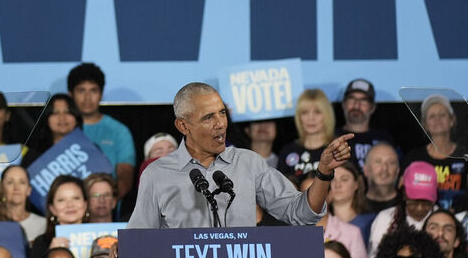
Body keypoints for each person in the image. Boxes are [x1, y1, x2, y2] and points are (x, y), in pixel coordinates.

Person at [129, 82, 354, 230]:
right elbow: (139, 240)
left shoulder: (249, 163)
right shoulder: (157, 175)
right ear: (183, 126)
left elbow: (301, 214)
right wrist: (123, 248)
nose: (220, 124)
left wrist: (324, 172)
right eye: (208, 117)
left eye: (223, 113)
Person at [68, 63, 136, 203]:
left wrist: (103, 201)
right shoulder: (62, 128)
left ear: (101, 94)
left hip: (106, 216)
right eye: (81, 90)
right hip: (69, 212)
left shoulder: (119, 131)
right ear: (71, 94)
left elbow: (125, 178)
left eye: (93, 90)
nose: (87, 97)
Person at [400, 94, 468, 206]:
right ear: (425, 124)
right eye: (432, 116)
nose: (437, 119)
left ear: (452, 120)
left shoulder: (467, 156)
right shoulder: (413, 158)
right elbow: (403, 194)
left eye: (442, 115)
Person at [28, 175, 88, 258]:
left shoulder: (102, 238)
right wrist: (50, 253)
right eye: (61, 200)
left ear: (85, 204)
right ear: (52, 209)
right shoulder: (42, 242)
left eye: (76, 198)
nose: (70, 205)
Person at [368, 161, 438, 258]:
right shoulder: (386, 219)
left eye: (426, 203)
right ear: (404, 194)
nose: (420, 208)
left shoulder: (442, 219)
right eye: (414, 202)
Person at [279, 88, 338, 184]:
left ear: (327, 115)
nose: (311, 118)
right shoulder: (288, 151)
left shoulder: (336, 149)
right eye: (305, 112)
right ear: (299, 117)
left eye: (317, 112)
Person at [335, 79, 393, 170]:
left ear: (373, 107)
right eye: (352, 99)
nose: (357, 106)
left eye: (363, 100)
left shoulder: (384, 140)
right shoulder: (332, 138)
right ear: (343, 103)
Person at [23, 93, 86, 167]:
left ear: (76, 118)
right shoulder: (34, 156)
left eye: (67, 112)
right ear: (47, 119)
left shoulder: (89, 151)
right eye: (56, 112)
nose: (62, 118)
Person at [0, 164, 46, 242]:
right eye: (10, 182)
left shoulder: (43, 224)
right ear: (1, 188)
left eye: (22, 182)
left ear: (29, 190)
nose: (16, 188)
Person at [362, 143, 401, 214]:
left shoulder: (407, 207)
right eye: (378, 162)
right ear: (365, 170)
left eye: (391, 162)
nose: (384, 168)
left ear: (398, 171)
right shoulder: (353, 207)